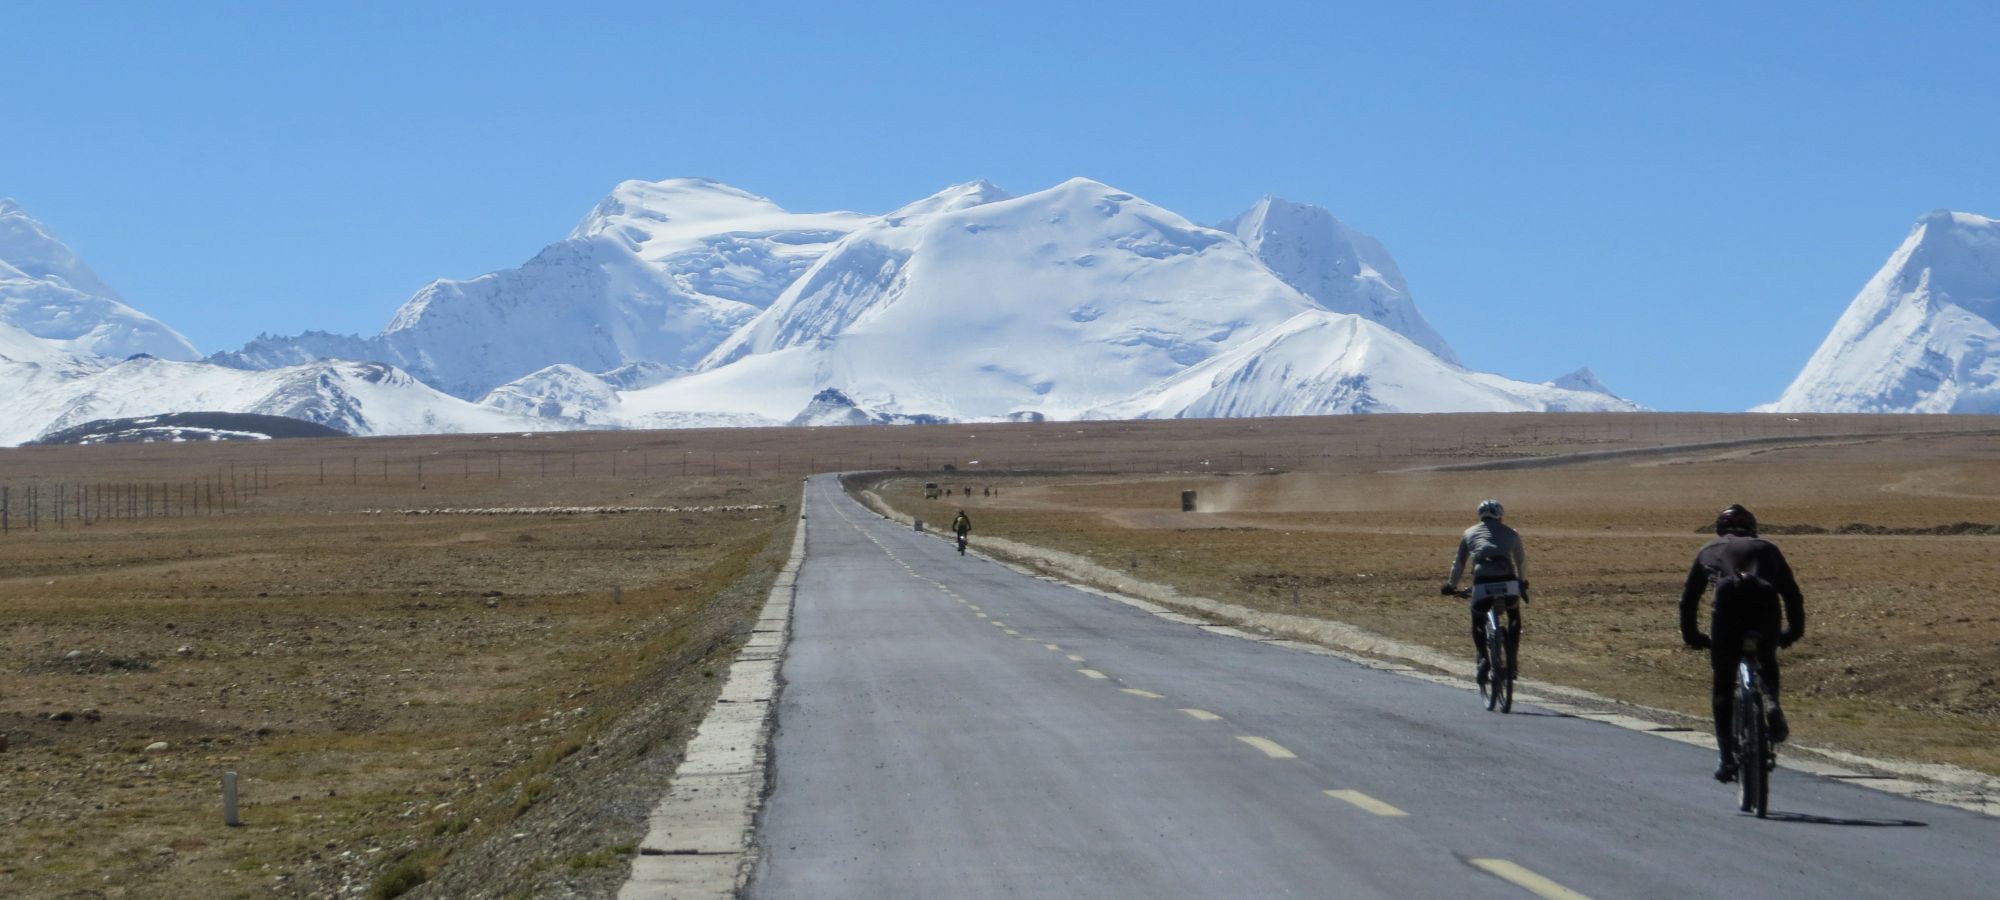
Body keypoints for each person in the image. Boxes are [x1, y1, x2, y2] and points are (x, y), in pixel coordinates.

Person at [1680, 504, 1804, 783]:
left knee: (1723, 685)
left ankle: (1726, 758)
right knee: (1767, 660)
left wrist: (1693, 637)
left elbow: (1688, 601)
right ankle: (1771, 701)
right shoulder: (1767, 549)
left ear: (1719, 529)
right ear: (1752, 528)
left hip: (1727, 620)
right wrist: (1793, 632)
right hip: (1765, 617)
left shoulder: (1709, 549)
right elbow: (1792, 595)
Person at [1440, 499, 1528, 688]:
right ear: (1500, 515)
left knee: (1478, 619)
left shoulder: (1469, 533)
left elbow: (1459, 564)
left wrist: (1450, 585)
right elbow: (1521, 561)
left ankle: (1483, 658)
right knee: (1514, 616)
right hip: (1508, 582)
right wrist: (1523, 583)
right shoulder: (1512, 533)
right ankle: (1512, 661)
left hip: (1483, 583)